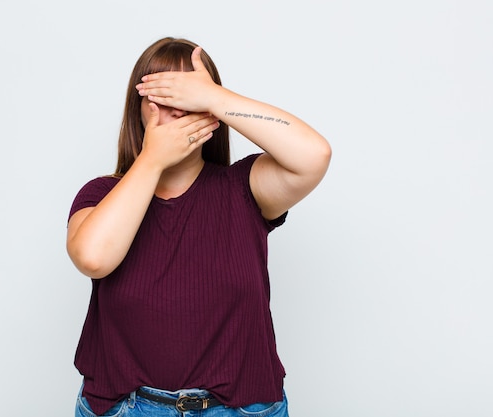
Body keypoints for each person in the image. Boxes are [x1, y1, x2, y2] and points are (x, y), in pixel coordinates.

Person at [66, 37, 331, 417]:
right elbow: (93, 258)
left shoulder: (245, 189)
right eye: (162, 95)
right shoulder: (102, 193)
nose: (177, 109)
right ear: (137, 110)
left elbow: (313, 155)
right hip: (128, 408)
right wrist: (153, 159)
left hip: (241, 409)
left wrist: (216, 98)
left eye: (188, 97)